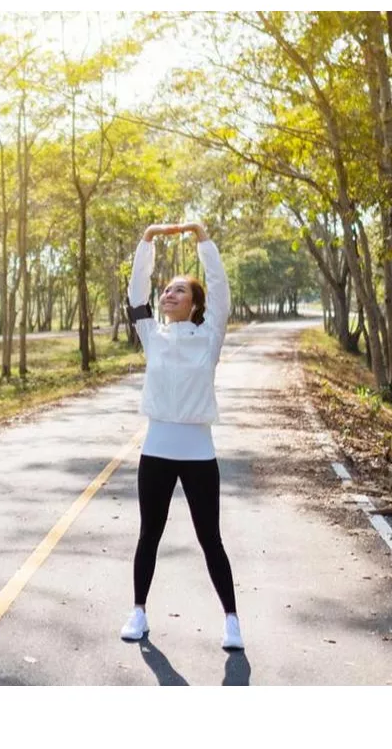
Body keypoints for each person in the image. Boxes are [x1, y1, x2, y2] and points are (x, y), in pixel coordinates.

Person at [119, 221, 243, 651]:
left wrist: (203, 237)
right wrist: (147, 240)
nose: (168, 295)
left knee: (210, 538)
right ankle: (138, 611)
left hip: (198, 454)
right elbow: (137, 294)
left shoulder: (209, 338)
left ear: (194, 305)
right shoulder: (152, 335)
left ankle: (231, 620)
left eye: (178, 291)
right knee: (148, 533)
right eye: (167, 290)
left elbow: (221, 290)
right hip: (155, 451)